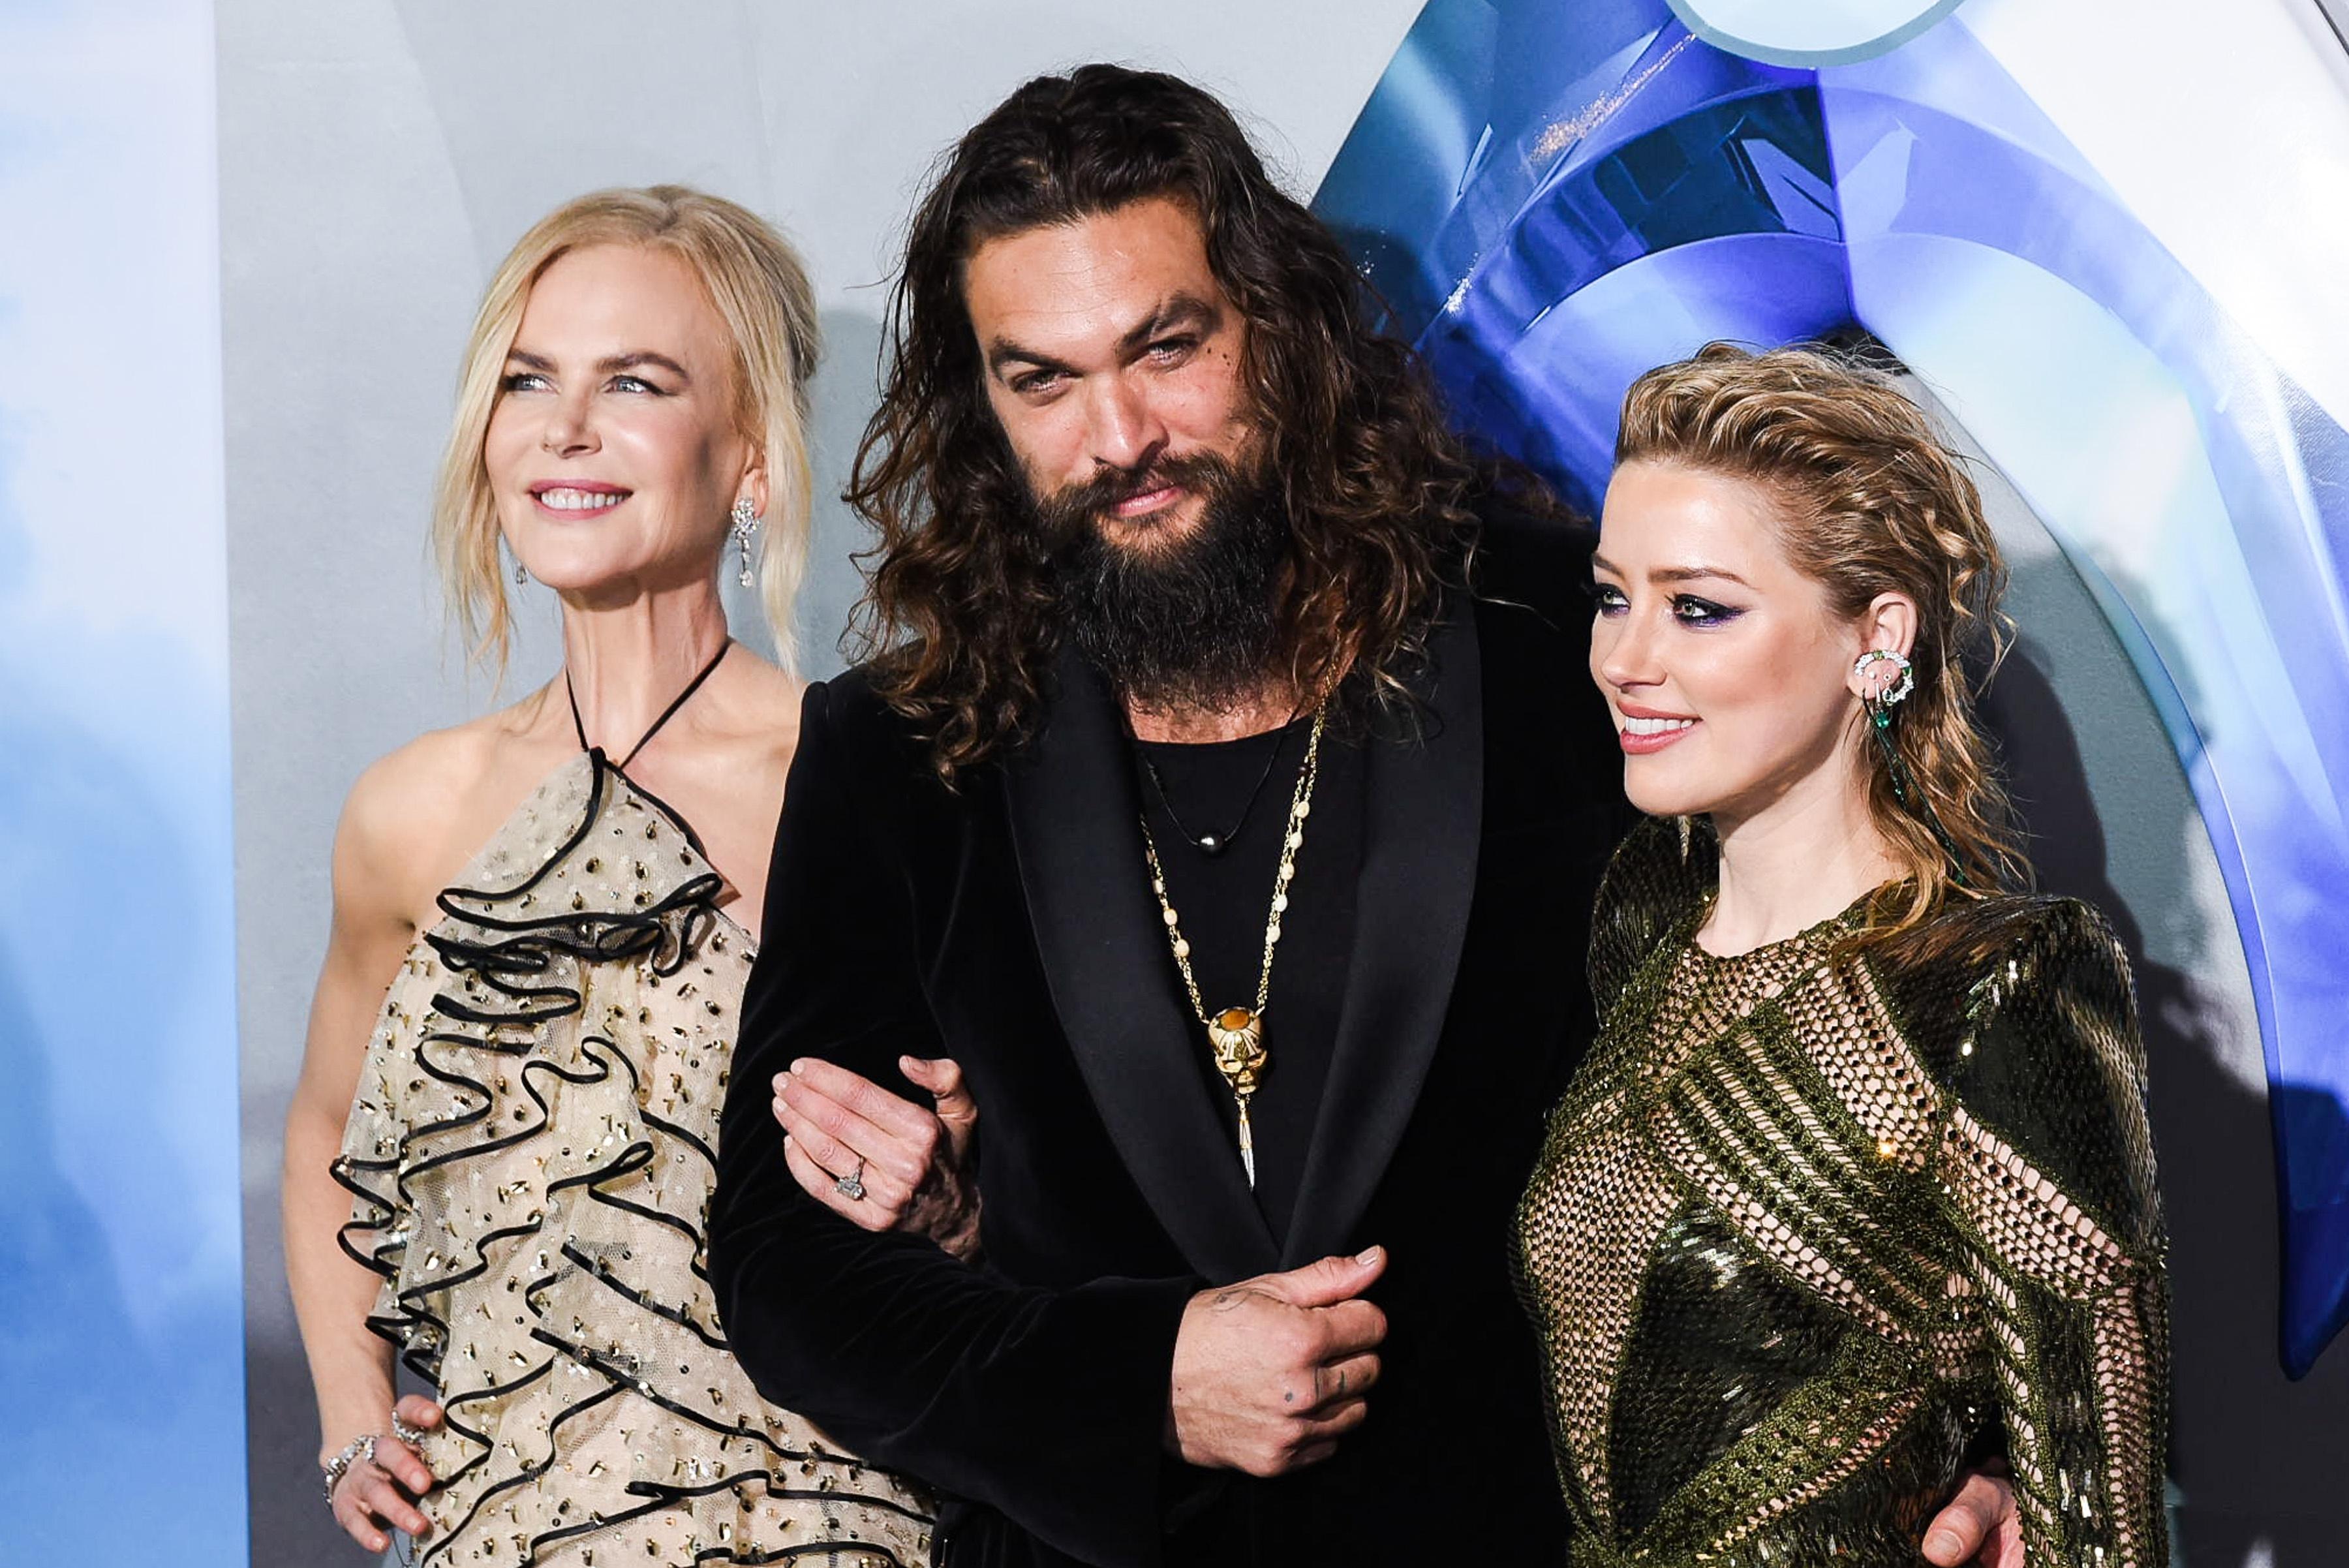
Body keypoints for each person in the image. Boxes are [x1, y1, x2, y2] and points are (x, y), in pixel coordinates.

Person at [706, 66, 2023, 1567]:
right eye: (1043, 381)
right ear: (983, 406)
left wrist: (1974, 1446)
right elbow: (783, 1271)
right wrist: (1140, 1382)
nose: (1120, 435)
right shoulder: (901, 752)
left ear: (1276, 326)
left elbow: (1890, 1056)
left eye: (1167, 347)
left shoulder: (1567, 641)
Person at [279, 185, 938, 1566]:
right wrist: (355, 1413)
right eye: (529, 380)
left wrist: (952, 1196)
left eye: (634, 382)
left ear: (753, 458)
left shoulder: (872, 783)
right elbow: (328, 1124)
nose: (564, 427)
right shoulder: (410, 813)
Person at [1514, 343, 2170, 1566]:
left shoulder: (1998, 985)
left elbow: (2099, 1519)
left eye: (1698, 607)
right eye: (1612, 596)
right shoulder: (1644, 914)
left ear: (1877, 638)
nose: (1623, 659)